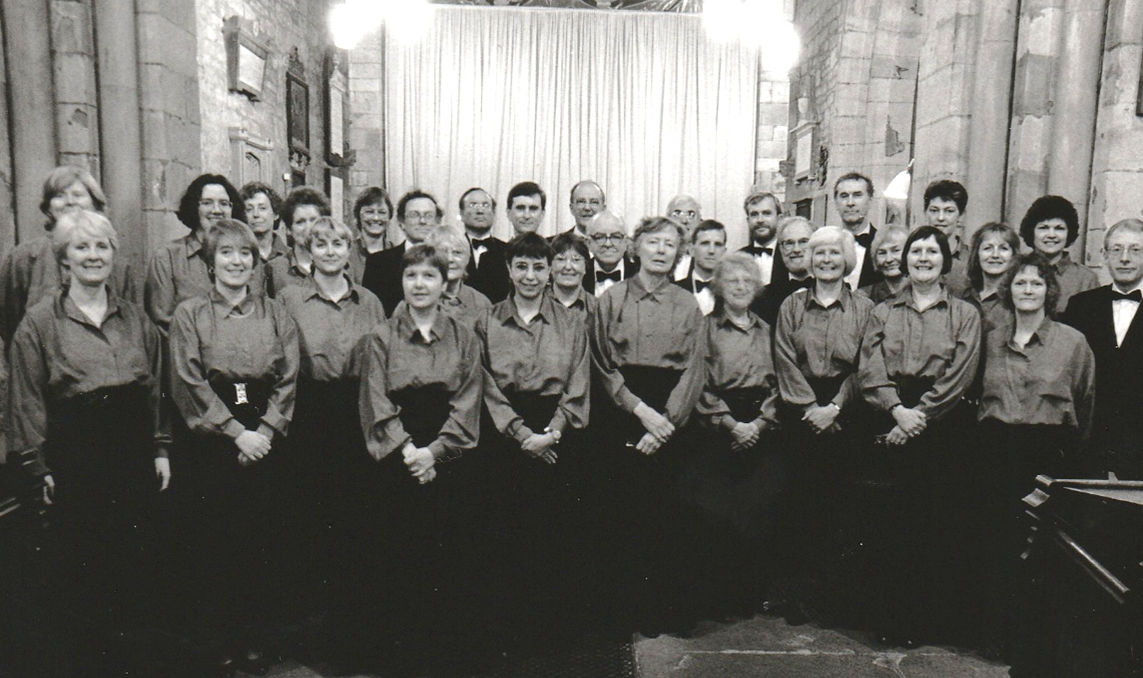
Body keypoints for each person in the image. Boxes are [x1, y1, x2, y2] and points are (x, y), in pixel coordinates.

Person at [7, 209, 168, 675]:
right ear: (64, 257)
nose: (93, 255)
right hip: (77, 459)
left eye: (102, 246)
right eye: (82, 247)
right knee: (83, 570)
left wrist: (160, 448)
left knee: (134, 566)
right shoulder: (40, 323)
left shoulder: (135, 320)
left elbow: (155, 388)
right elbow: (26, 400)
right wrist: (37, 466)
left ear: (114, 254)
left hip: (133, 456)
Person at [169, 218, 299, 676]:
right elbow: (187, 380)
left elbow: (289, 377)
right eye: (226, 252)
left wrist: (264, 431)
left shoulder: (276, 313)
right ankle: (217, 640)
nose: (236, 261)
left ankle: (255, 638)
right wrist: (235, 433)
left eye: (245, 252)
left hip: (265, 437)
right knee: (213, 544)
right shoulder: (190, 315)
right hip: (211, 443)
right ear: (210, 261)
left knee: (261, 542)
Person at [351, 244, 481, 676]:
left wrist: (434, 453)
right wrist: (409, 451)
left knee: (448, 555)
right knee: (398, 556)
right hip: (398, 457)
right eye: (411, 276)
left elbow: (468, 400)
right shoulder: (381, 337)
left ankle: (446, 656)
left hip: (447, 455)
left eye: (429, 276)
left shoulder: (464, 336)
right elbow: (374, 399)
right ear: (401, 282)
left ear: (445, 283)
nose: (419, 284)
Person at [859, 225, 981, 647]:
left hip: (942, 426)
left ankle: (925, 623)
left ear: (945, 261)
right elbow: (870, 366)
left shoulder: (965, 313)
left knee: (934, 526)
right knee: (891, 526)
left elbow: (961, 373)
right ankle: (890, 621)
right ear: (905, 259)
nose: (923, 258)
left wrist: (918, 417)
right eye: (916, 251)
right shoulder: (883, 311)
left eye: (932, 252)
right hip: (892, 414)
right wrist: (897, 410)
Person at [590, 215, 707, 633]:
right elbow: (601, 364)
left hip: (670, 418)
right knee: (622, 516)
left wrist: (666, 422)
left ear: (679, 254)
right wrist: (640, 411)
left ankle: (662, 610)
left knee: (667, 518)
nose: (661, 250)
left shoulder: (689, 305)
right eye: (653, 241)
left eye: (669, 244)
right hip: (623, 413)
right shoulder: (611, 299)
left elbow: (695, 369)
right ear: (635, 247)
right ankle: (623, 612)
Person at [475, 232, 590, 651]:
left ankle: (551, 632)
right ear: (508, 270)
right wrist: (521, 432)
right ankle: (507, 632)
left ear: (551, 271)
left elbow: (578, 383)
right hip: (505, 436)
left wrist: (552, 431)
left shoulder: (572, 323)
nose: (530, 275)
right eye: (521, 266)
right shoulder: (486, 320)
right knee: (505, 534)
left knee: (555, 535)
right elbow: (483, 383)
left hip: (557, 435)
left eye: (539, 267)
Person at [976, 252, 1094, 658]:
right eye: (1020, 282)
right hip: (996, 449)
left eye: (1036, 283)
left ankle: (1032, 641)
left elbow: (1086, 403)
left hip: (1048, 453)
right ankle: (997, 635)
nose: (1028, 289)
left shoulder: (1073, 342)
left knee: (1040, 547)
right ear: (1009, 289)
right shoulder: (991, 338)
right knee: (997, 541)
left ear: (1049, 291)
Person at [276, 216, 385, 627]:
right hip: (310, 411)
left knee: (355, 513)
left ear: (349, 249)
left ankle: (352, 616)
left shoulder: (370, 301)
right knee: (310, 513)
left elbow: (381, 362)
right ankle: (311, 618)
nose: (330, 252)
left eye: (338, 244)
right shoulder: (288, 299)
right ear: (308, 249)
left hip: (357, 409)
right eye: (320, 244)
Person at [773, 226, 874, 623]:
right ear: (810, 261)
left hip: (847, 414)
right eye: (819, 253)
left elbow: (868, 364)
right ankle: (799, 598)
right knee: (799, 508)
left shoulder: (865, 308)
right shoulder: (792, 305)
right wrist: (811, 408)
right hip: (799, 412)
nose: (827, 260)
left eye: (834, 253)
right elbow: (783, 360)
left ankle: (835, 601)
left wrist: (834, 407)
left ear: (846, 260)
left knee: (840, 510)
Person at [686, 252, 783, 619]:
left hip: (761, 427)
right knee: (718, 515)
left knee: (756, 514)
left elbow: (780, 383)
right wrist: (730, 423)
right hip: (719, 428)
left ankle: (749, 596)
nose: (740, 287)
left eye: (747, 281)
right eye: (732, 281)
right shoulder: (705, 329)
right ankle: (718, 598)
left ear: (756, 287)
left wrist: (759, 423)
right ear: (718, 287)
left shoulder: (768, 330)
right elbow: (698, 382)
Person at [1, 165, 136, 345]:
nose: (70, 202)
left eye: (78, 195)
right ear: (49, 207)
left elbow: (129, 322)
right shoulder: (24, 257)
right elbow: (8, 320)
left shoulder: (115, 262)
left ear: (94, 203)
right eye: (59, 196)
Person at [1062, 218, 1143, 479]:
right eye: (1116, 249)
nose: (1125, 258)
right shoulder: (1080, 306)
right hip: (1088, 442)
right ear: (1104, 255)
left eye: (1135, 249)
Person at [144, 173, 248, 334]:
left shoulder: (246, 258)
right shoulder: (167, 257)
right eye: (207, 203)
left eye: (224, 203)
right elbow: (162, 322)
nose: (216, 210)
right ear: (194, 207)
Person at [361, 189, 443, 316]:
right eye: (414, 215)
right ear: (401, 222)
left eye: (428, 215)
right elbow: (369, 313)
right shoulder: (378, 263)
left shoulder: (447, 260)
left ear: (437, 222)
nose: (422, 221)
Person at [391, 226, 492, 325]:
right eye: (442, 252)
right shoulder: (411, 303)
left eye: (457, 253)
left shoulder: (481, 303)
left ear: (467, 259)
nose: (450, 259)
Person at [1019, 195, 1098, 313]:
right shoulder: (1015, 271)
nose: (1051, 235)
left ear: (1069, 233)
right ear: (1032, 232)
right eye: (1043, 228)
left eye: (1059, 228)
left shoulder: (1086, 279)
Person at [265, 187, 332, 297]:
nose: (308, 228)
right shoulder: (275, 269)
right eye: (300, 222)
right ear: (289, 229)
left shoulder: (338, 265)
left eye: (314, 220)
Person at [753, 216, 815, 326]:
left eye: (803, 242)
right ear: (781, 249)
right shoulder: (763, 298)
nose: (796, 249)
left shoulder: (831, 290)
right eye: (789, 243)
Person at [963, 222, 1021, 335]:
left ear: (1013, 255)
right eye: (987, 248)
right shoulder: (965, 297)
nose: (995, 255)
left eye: (1003, 248)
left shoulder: (1016, 300)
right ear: (977, 255)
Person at [458, 187, 510, 303]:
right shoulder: (452, 250)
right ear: (461, 213)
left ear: (494, 213)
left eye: (485, 205)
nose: (480, 211)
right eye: (473, 205)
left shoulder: (508, 250)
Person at [923, 180, 971, 296]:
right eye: (934, 210)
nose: (940, 218)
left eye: (949, 211)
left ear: (961, 215)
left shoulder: (971, 259)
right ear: (925, 213)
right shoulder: (914, 256)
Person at [833, 172, 880, 289]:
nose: (850, 203)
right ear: (836, 203)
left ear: (870, 201)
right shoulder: (827, 243)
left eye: (857, 195)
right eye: (844, 196)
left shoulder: (882, 243)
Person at [674, 219, 727, 315]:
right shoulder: (674, 290)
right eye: (705, 243)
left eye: (718, 245)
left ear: (724, 252)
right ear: (691, 250)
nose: (711, 251)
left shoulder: (732, 293)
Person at [583, 210, 638, 296]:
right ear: (588, 243)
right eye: (600, 237)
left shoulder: (640, 276)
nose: (608, 244)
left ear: (626, 242)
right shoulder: (579, 275)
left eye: (615, 237)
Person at [349, 186, 394, 283]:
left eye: (382, 212)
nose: (376, 218)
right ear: (358, 215)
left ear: (389, 217)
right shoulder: (347, 253)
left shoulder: (397, 255)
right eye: (369, 212)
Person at [739, 191, 784, 286]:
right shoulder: (738, 258)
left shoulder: (789, 256)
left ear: (779, 219)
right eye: (754, 214)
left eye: (766, 213)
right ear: (748, 221)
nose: (760, 220)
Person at [549, 232, 596, 318]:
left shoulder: (597, 308)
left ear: (586, 267)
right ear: (550, 266)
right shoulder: (537, 304)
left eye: (576, 260)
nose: (568, 267)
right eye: (561, 259)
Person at [239, 182, 287, 263]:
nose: (256, 214)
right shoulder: (237, 257)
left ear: (276, 214)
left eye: (262, 208)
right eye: (249, 209)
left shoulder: (291, 257)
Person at [860, 225, 908, 303]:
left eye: (895, 250)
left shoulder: (923, 293)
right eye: (882, 253)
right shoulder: (862, 297)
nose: (889, 259)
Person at [666, 194, 702, 281]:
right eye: (677, 214)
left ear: (700, 222)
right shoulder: (658, 253)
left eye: (691, 215)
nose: (684, 221)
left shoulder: (707, 255)